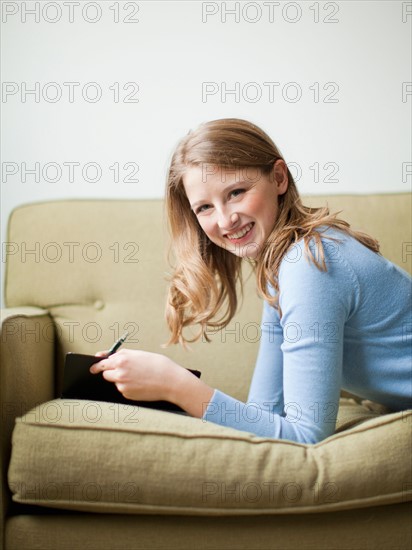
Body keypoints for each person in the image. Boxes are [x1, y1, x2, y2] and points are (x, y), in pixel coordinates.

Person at [90, 118, 412, 444]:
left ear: (279, 178)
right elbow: (266, 411)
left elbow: (305, 436)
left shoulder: (310, 263)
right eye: (204, 207)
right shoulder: (281, 267)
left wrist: (177, 386)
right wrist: (164, 389)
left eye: (236, 192)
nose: (224, 220)